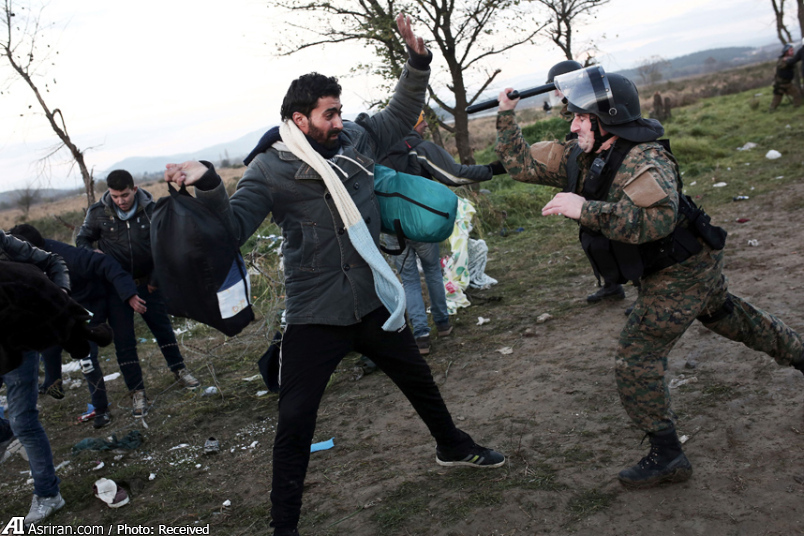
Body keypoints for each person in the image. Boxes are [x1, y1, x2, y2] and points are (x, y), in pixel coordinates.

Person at [164, 15, 505, 536]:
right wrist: (209, 184)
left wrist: (417, 62)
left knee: (419, 381)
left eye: (341, 111)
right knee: (296, 419)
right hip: (315, 313)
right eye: (329, 114)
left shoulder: (356, 143)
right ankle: (285, 526)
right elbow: (231, 227)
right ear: (299, 120)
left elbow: (401, 111)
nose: (339, 121)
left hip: (372, 301)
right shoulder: (269, 169)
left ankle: (452, 446)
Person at [494, 67, 804, 488]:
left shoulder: (645, 158)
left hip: (681, 271)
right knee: (728, 317)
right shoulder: (581, 154)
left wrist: (583, 209)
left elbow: (657, 219)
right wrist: (506, 114)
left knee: (636, 356)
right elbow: (520, 164)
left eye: (580, 118)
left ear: (607, 120)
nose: (572, 125)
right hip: (688, 265)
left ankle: (668, 454)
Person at [379, 111, 507, 354]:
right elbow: (455, 175)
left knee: (408, 280)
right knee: (433, 271)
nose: (427, 124)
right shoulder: (420, 147)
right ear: (412, 123)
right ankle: (443, 323)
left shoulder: (377, 148)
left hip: (391, 227)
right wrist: (494, 169)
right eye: (422, 119)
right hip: (421, 224)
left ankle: (421, 335)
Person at [76, 169, 200, 418]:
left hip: (148, 284)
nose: (120, 200)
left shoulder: (152, 209)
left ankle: (179, 369)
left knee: (162, 328)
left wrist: (155, 279)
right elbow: (82, 240)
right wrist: (92, 254)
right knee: (124, 340)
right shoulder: (98, 213)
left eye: (124, 195)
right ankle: (137, 391)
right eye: (115, 195)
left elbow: (165, 244)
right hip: (116, 287)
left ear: (134, 189)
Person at [10, 223, 146, 429]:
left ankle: (126, 398)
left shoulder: (67, 257)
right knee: (61, 346)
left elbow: (106, 263)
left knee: (112, 350)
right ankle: (58, 385)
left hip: (103, 299)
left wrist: (128, 292)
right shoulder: (20, 265)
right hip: (71, 307)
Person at [0, 231, 73, 527]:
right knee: (13, 424)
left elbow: (54, 261)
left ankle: (48, 494)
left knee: (24, 421)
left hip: (18, 342)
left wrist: (60, 295)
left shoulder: (4, 243)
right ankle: (5, 432)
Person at [548, 59, 626, 304]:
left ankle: (645, 290)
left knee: (623, 240)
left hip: (607, 180)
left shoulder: (599, 107)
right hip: (589, 183)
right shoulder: (576, 110)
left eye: (559, 87)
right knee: (594, 241)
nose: (557, 93)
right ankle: (611, 285)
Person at [769, 43, 802, 111]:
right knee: (777, 99)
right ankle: (771, 110)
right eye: (791, 50)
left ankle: (797, 108)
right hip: (780, 84)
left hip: (788, 83)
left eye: (792, 50)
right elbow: (781, 66)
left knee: (797, 94)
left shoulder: (790, 59)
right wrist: (787, 61)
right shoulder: (782, 60)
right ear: (786, 52)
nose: (792, 52)